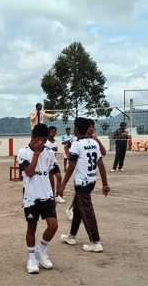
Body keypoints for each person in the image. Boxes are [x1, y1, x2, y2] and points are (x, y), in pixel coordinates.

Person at [58, 117, 110, 252]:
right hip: (91, 181)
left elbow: (71, 166)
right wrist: (105, 183)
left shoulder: (76, 144)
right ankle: (72, 236)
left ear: (76, 129)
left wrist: (62, 186)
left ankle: (95, 242)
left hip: (82, 183)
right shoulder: (94, 143)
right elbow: (101, 164)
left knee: (87, 212)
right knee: (77, 210)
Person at [18, 124, 60, 273]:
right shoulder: (23, 152)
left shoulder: (49, 153)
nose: (42, 143)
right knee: (32, 227)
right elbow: (29, 172)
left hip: (46, 196)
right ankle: (31, 258)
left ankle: (40, 250)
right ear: (33, 137)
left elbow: (51, 174)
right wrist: (36, 154)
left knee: (53, 226)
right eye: (40, 140)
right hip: (31, 197)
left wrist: (53, 194)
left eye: (45, 140)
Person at [46, 126, 65, 204]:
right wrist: (51, 149)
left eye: (54, 132)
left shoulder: (55, 142)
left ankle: (57, 195)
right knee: (49, 180)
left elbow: (55, 152)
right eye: (52, 132)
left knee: (59, 177)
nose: (53, 133)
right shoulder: (46, 141)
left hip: (53, 162)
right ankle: (51, 195)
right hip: (47, 163)